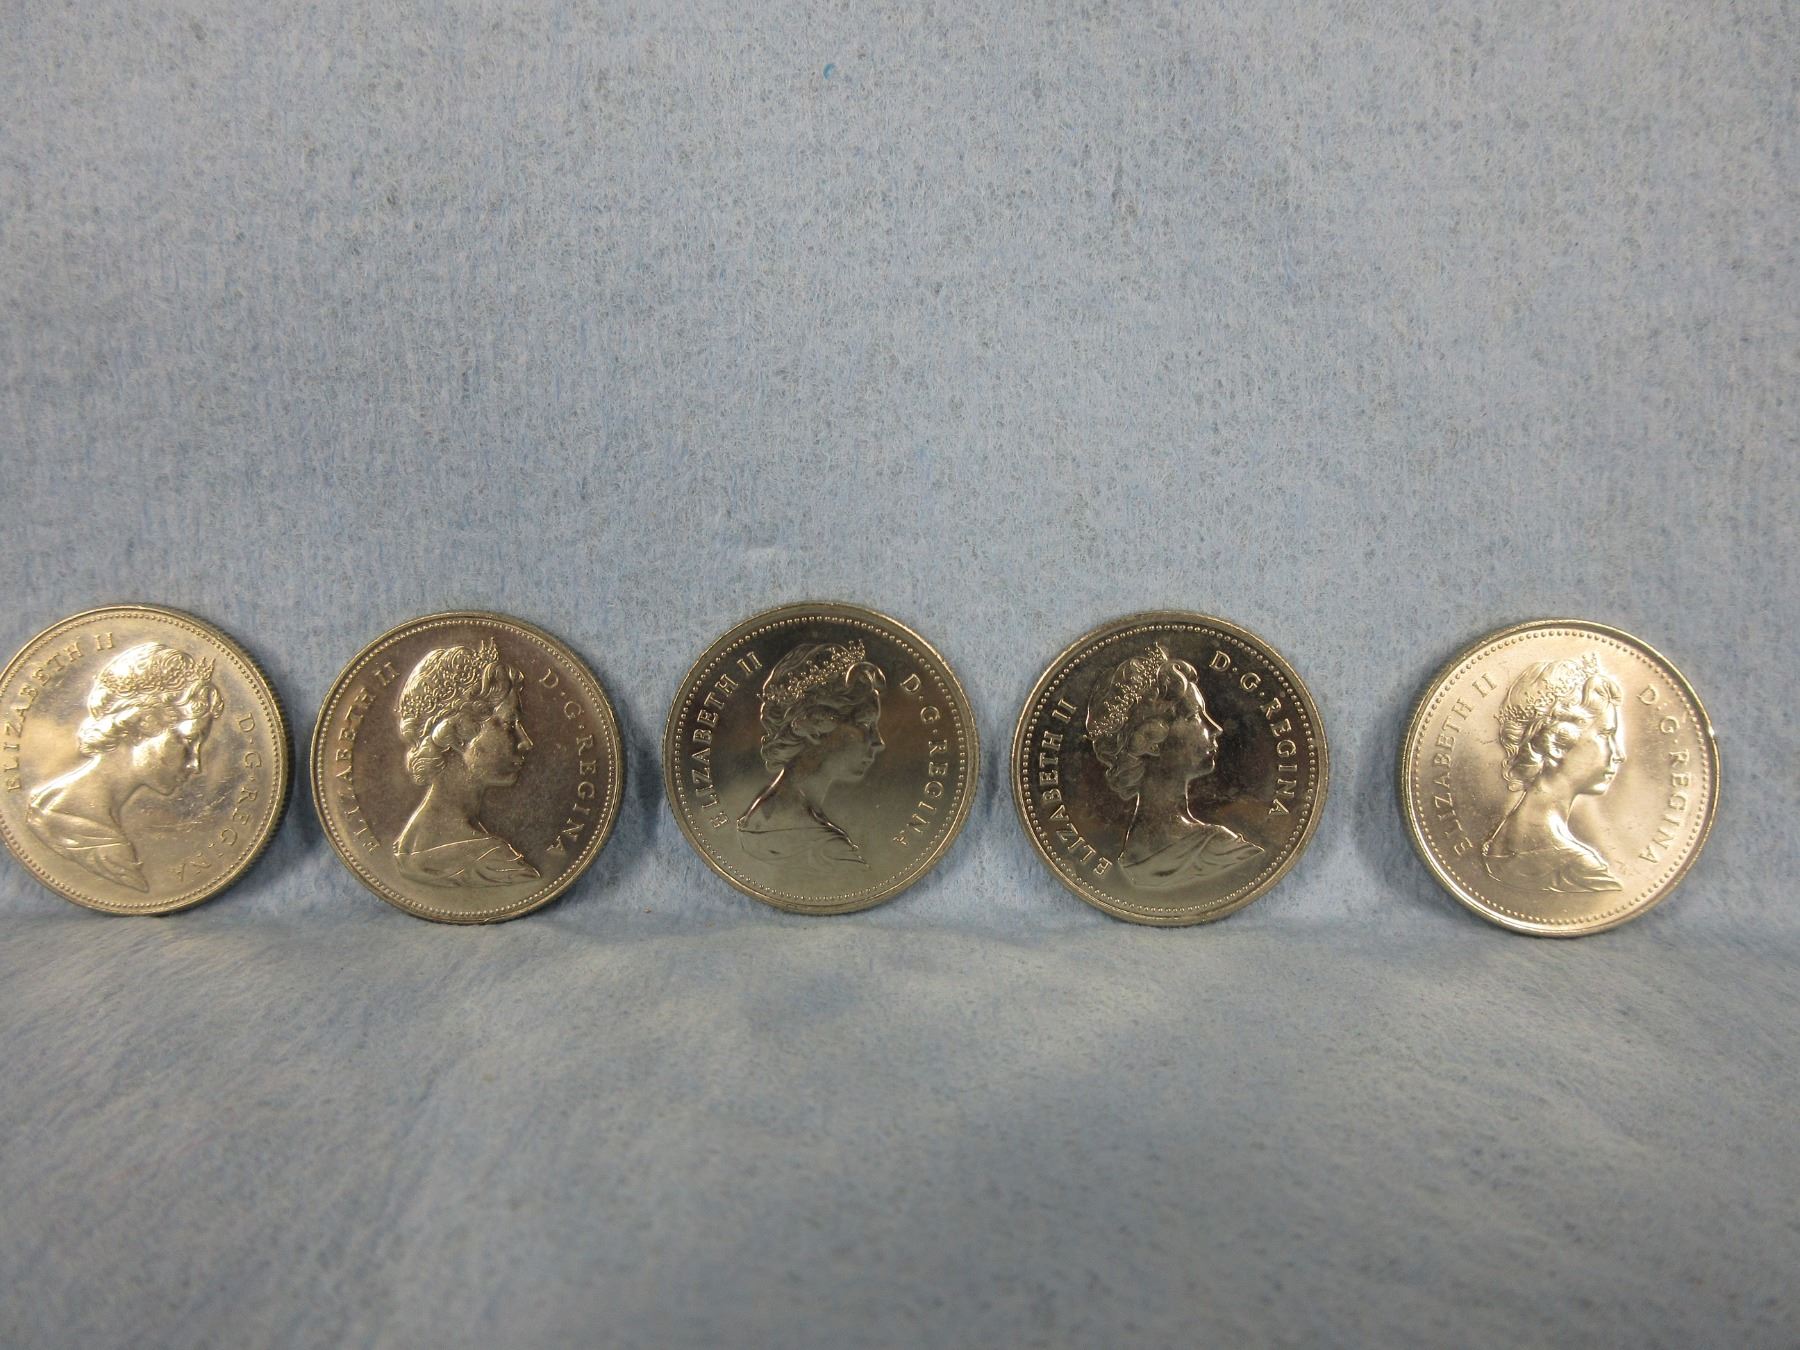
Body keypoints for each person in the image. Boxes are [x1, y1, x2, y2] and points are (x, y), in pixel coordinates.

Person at [27, 642, 224, 891]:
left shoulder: (54, 807)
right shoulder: (69, 824)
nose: (195, 764)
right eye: (187, 741)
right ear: (144, 723)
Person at [1086, 643, 1263, 891]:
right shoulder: (1218, 848)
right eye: (1195, 716)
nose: (1216, 729)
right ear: (1151, 740)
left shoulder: (1133, 855)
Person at [392, 639, 540, 888]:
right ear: (459, 733)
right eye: (509, 724)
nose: (526, 742)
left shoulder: (408, 845)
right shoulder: (492, 861)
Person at [737, 639, 885, 876]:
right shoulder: (827, 849)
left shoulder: (765, 817)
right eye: (865, 723)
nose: (878, 742)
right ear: (814, 726)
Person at [1482, 654, 1626, 893]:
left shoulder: (1502, 838)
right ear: (1557, 743)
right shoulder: (1578, 869)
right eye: (1605, 735)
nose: (1619, 754)